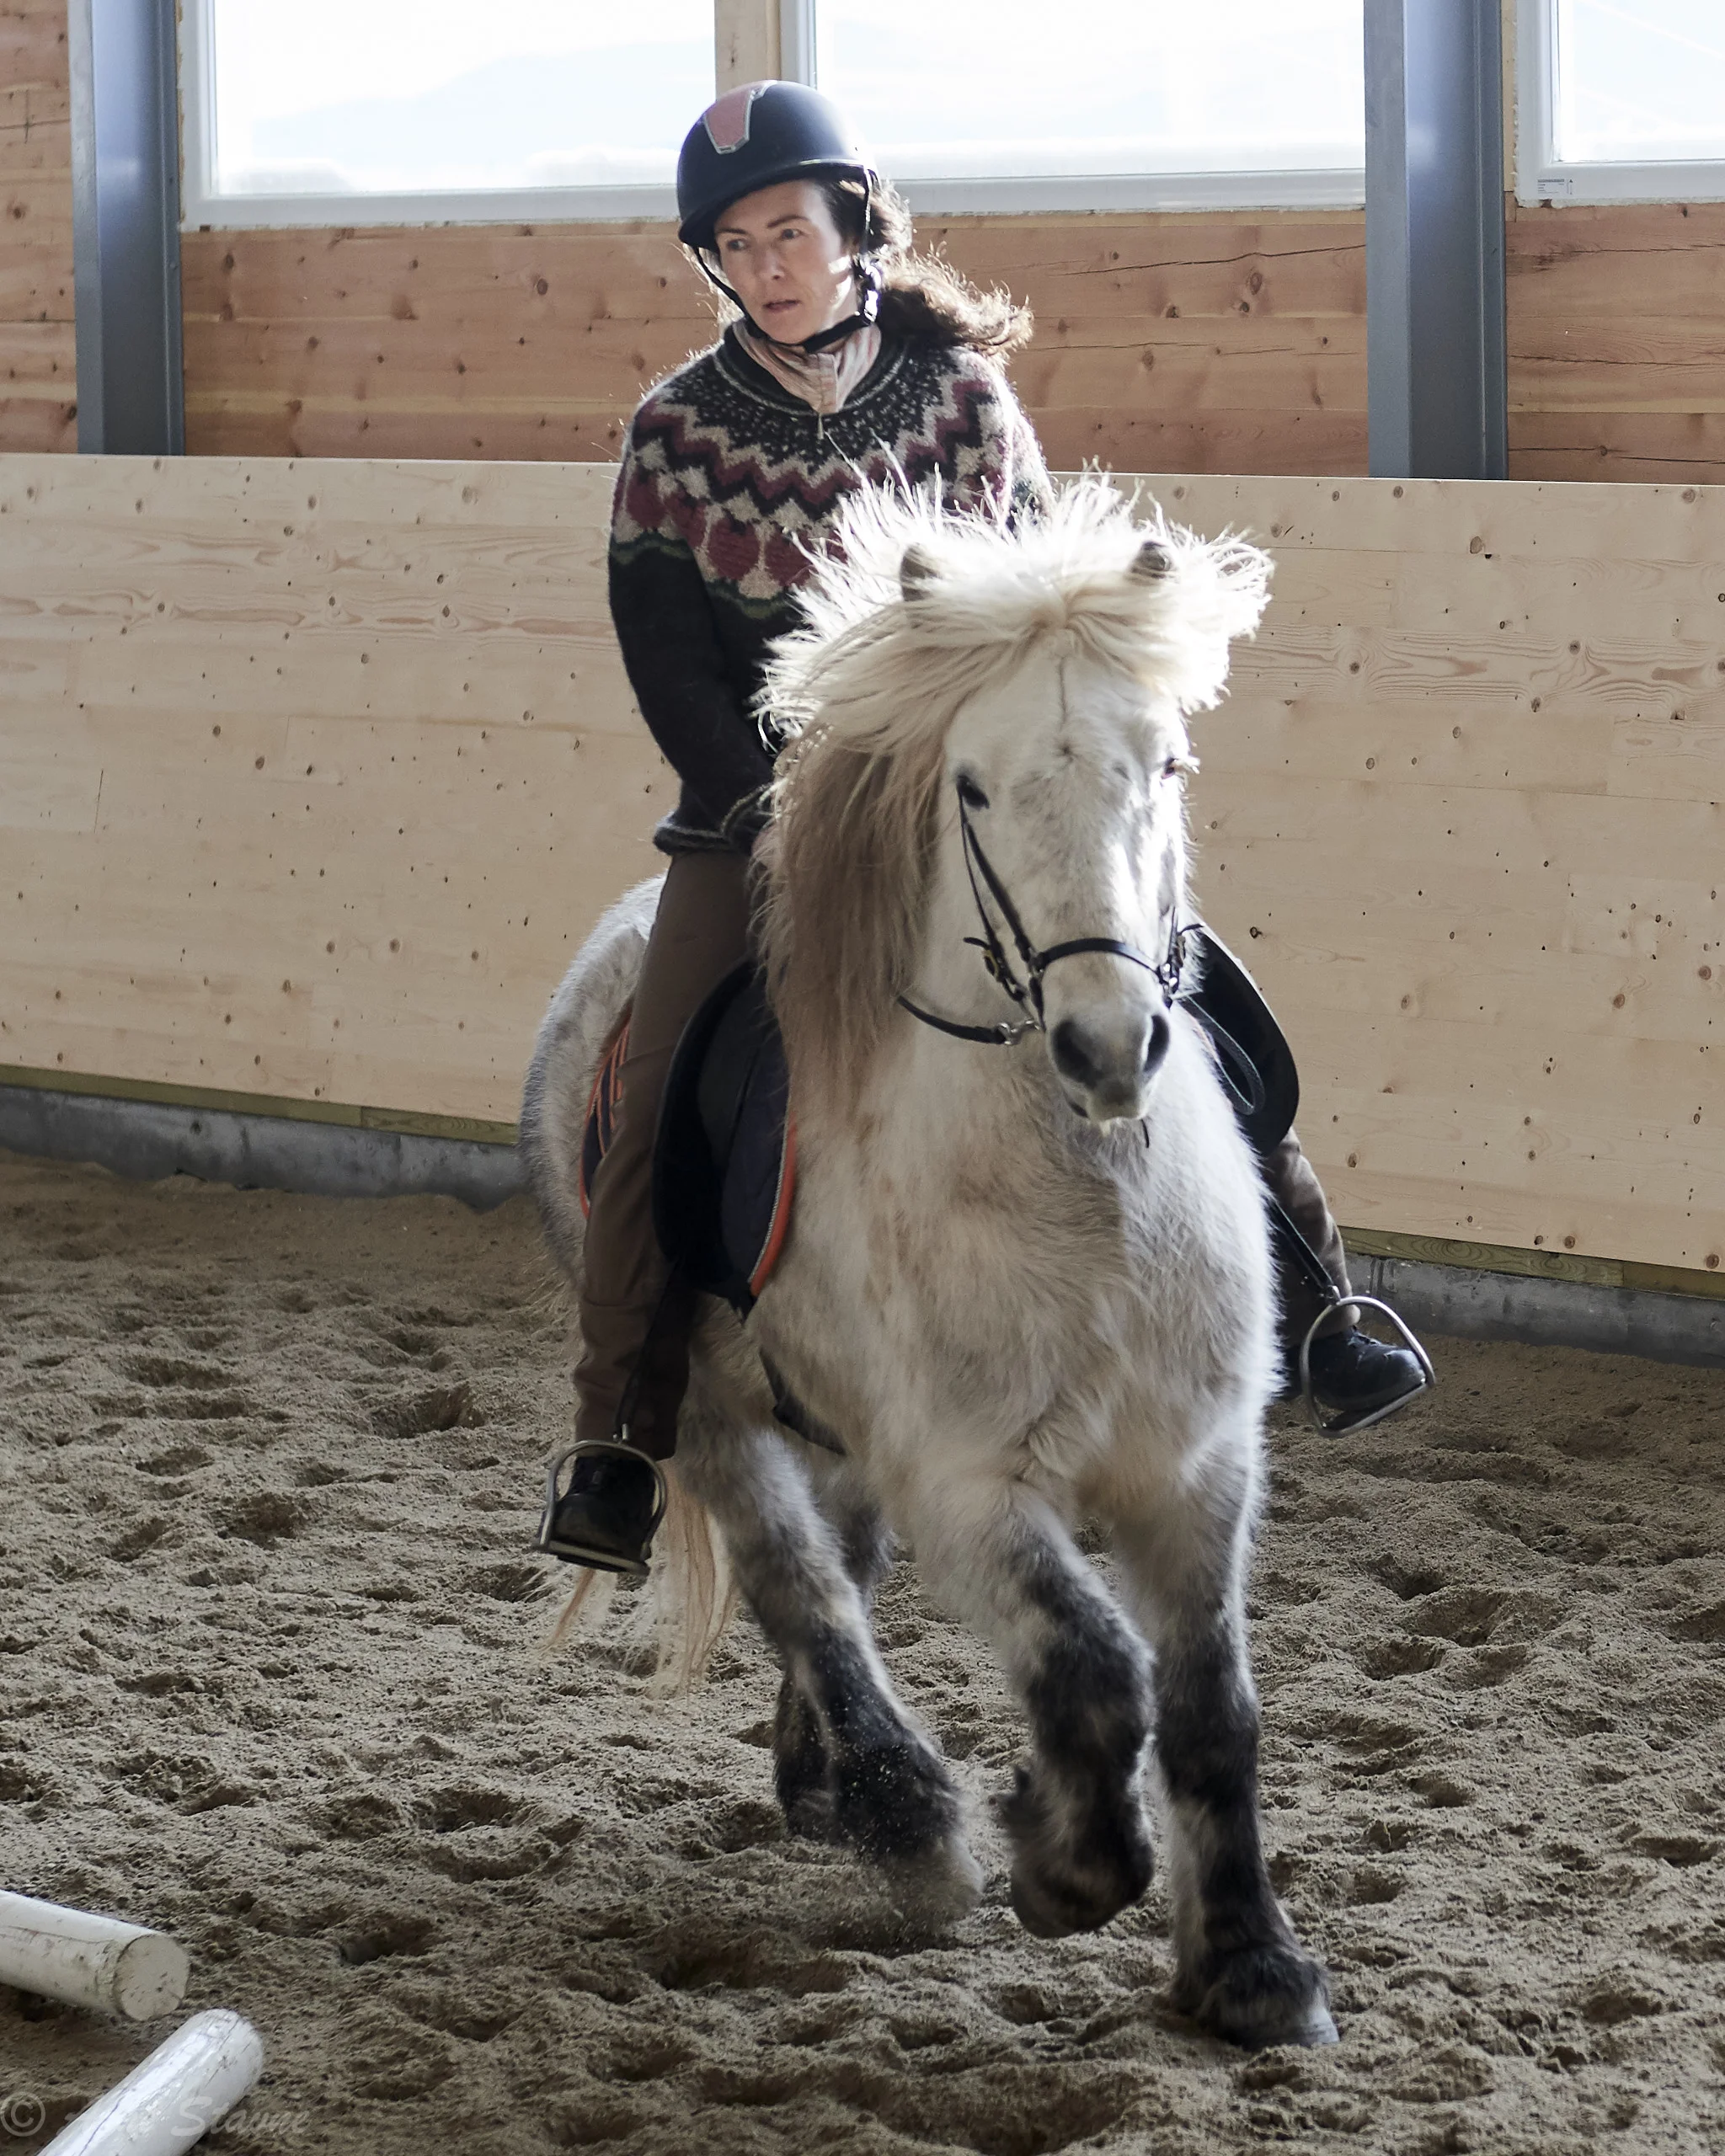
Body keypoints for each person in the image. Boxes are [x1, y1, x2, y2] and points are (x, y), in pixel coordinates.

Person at [547, 82, 1423, 1575]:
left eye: (791, 230)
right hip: (754, 828)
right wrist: (771, 812)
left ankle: (1323, 1296)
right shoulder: (674, 434)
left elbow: (1034, 630)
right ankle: (622, 1428)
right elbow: (668, 661)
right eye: (740, 243)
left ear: (853, 223)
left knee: (1184, 991)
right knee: (646, 1099)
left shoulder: (963, 405)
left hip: (972, 807)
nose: (770, 263)